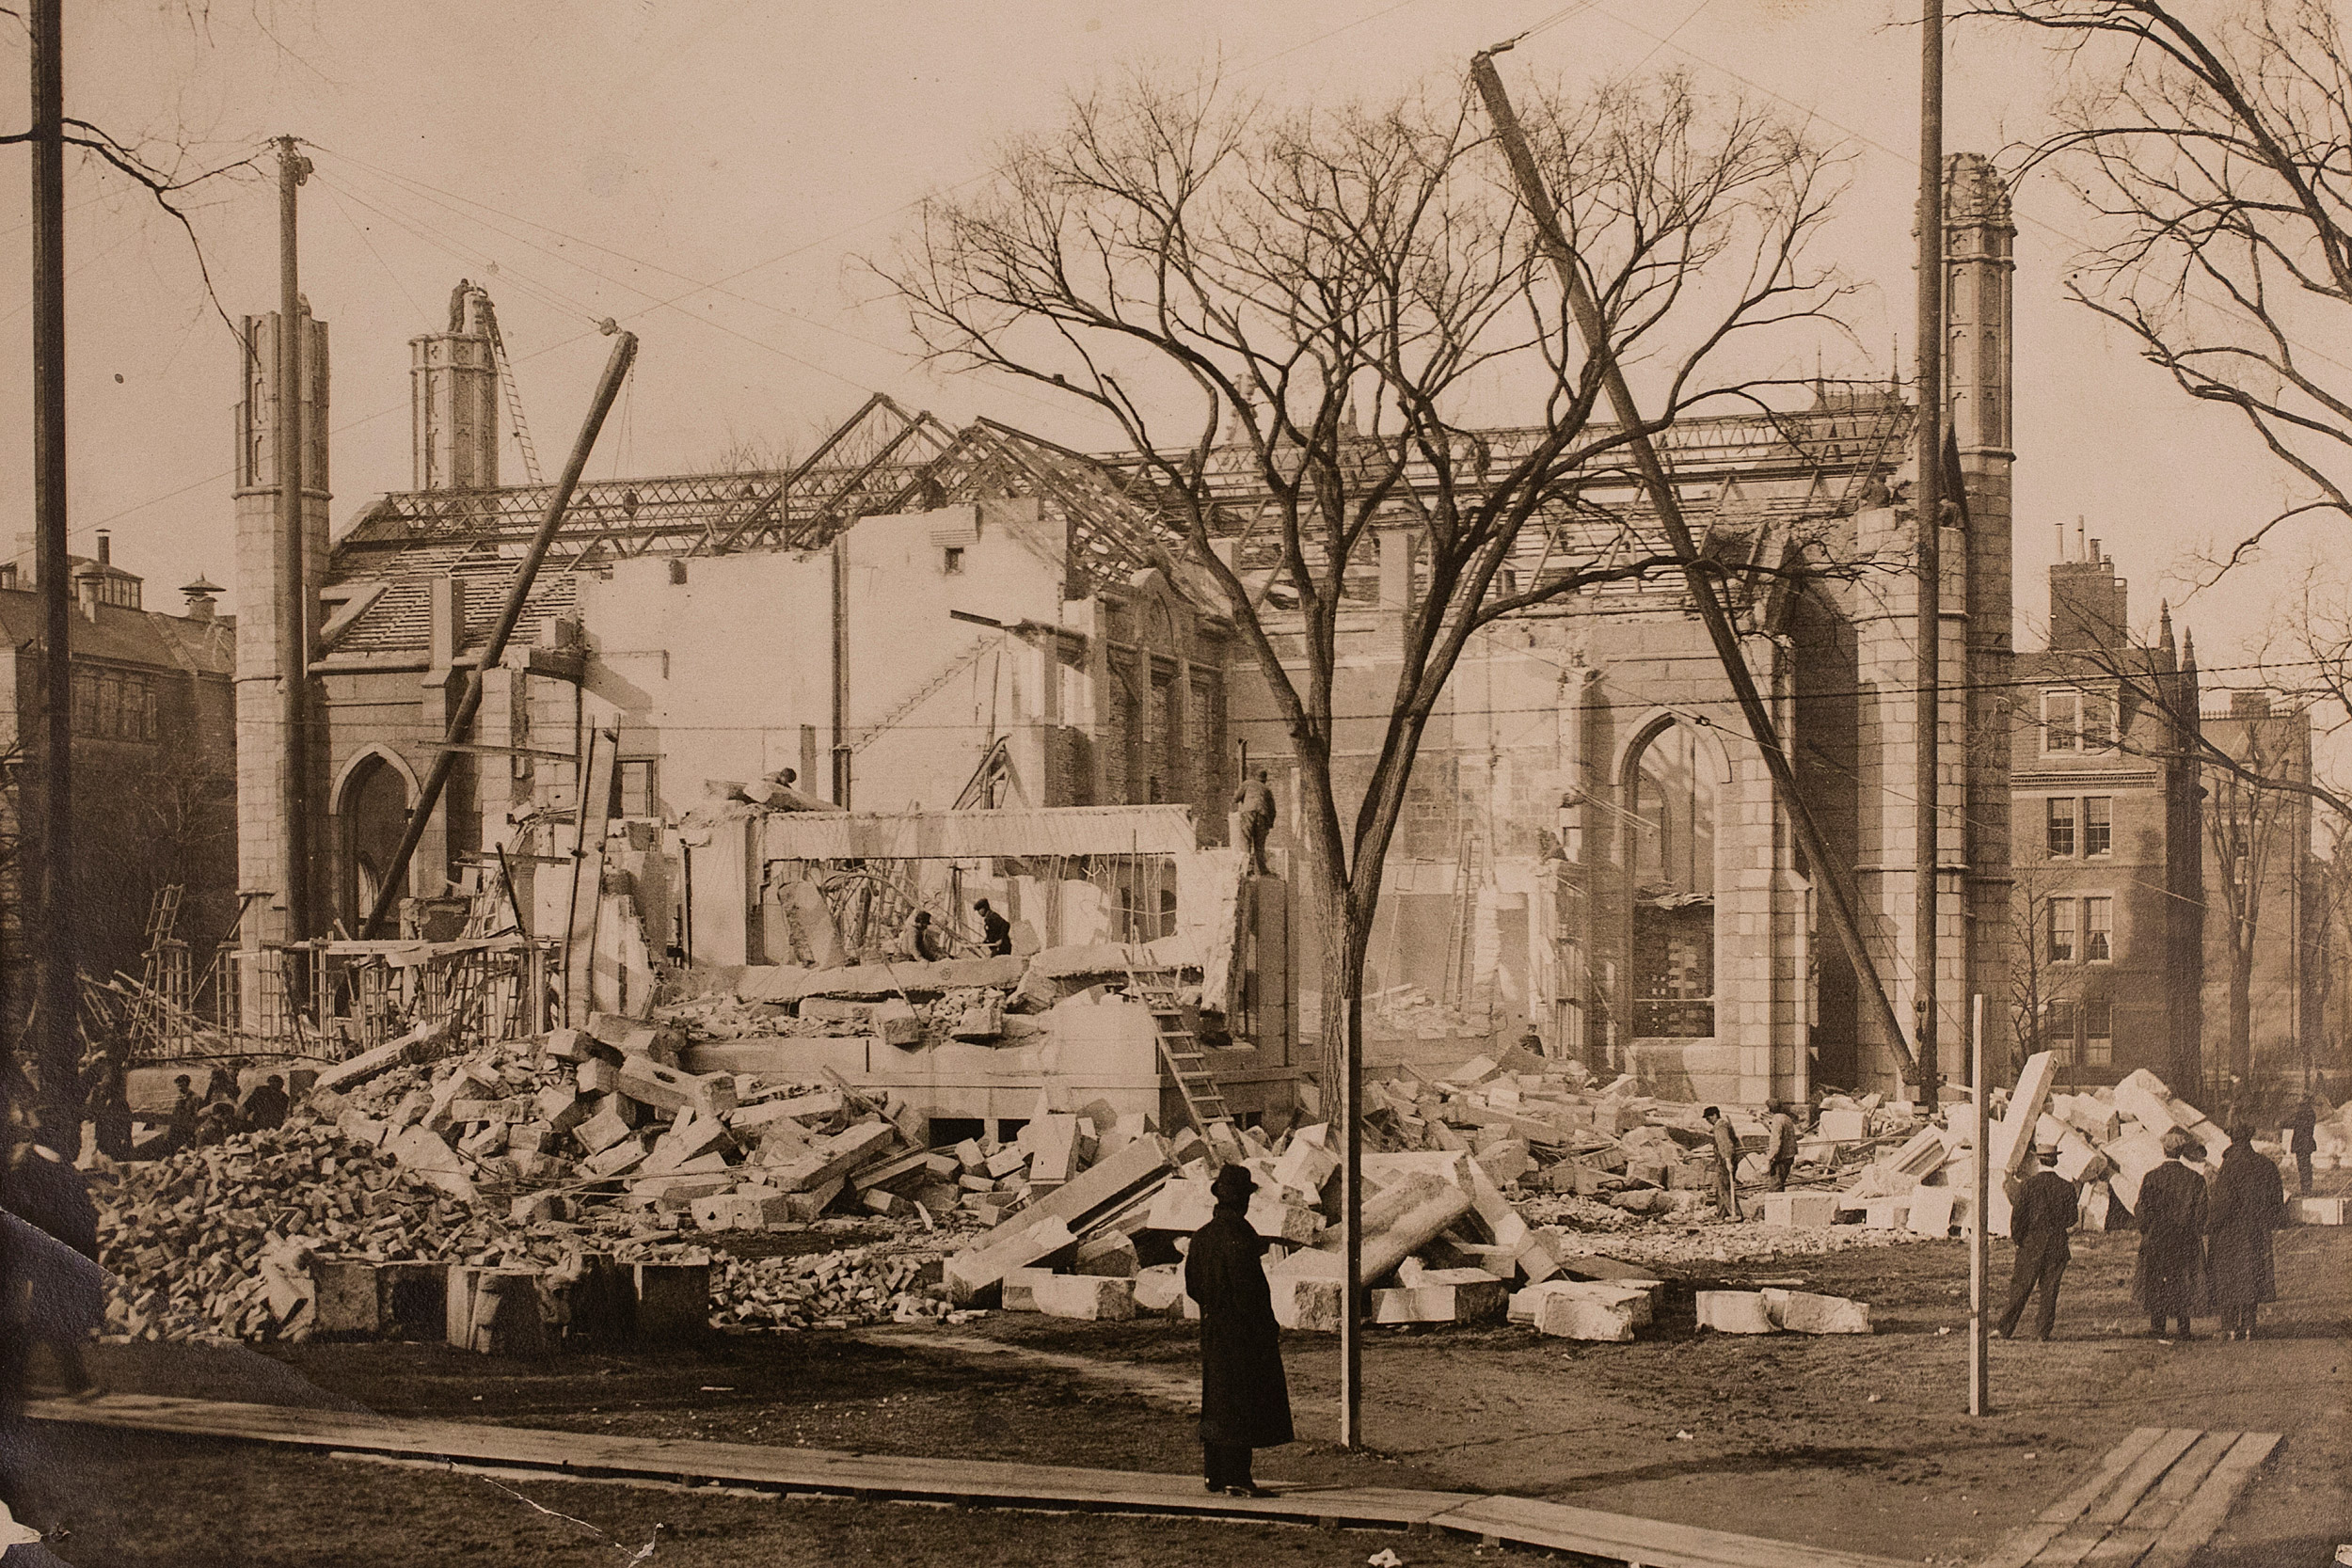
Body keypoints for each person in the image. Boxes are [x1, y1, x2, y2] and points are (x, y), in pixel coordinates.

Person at [1184, 1164, 1293, 1497]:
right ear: (1243, 1201)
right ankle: (1237, 1477)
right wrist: (1266, 1325)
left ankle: (1213, 1473)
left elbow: (1192, 1287)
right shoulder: (1243, 1237)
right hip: (1244, 1332)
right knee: (1241, 1403)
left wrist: (1213, 1308)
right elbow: (1252, 1291)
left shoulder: (1201, 1237)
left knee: (1216, 1398)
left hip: (1213, 1329)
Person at [2, 1109, 103, 1400]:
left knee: (39, 1319)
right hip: (35, 1252)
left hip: (49, 1253)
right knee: (41, 1318)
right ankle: (75, 1382)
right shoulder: (28, 1165)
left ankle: (73, 1382)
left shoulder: (51, 1163)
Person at [2205, 1122, 2286, 1341]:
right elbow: (2277, 1201)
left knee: (2228, 1278)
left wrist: (2209, 1224)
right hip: (2256, 1231)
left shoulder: (2229, 1166)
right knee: (2252, 1275)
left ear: (2232, 1139)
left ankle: (2230, 1327)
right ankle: (2250, 1326)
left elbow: (2222, 1203)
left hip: (2229, 1233)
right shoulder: (2265, 1165)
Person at [1996, 1142, 2079, 1340]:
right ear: (2056, 1160)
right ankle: (2043, 1331)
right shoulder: (2066, 1187)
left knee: (2020, 1288)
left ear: (2037, 1159)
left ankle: (2005, 1329)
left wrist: (2019, 1240)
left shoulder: (2028, 1185)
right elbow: (2072, 1219)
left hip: (2031, 1244)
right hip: (2057, 1244)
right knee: (2050, 1291)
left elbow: (2018, 1218)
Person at [2132, 1128, 2208, 1339]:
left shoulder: (2151, 1178)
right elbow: (2202, 1213)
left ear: (2164, 1150)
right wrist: (2193, 1230)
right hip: (2185, 1239)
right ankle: (2184, 1327)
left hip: (2157, 1238)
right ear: (2182, 1151)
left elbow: (2142, 1210)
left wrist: (2146, 1229)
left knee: (2157, 1280)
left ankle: (2158, 1325)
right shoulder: (2195, 1179)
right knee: (2183, 1280)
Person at [1701, 1106, 1742, 1221]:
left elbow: (1726, 1145)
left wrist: (1728, 1160)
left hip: (1725, 1160)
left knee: (1724, 1188)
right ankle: (1722, 1215)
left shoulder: (1720, 1127)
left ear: (1714, 1115)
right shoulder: (1723, 1125)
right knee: (1720, 1189)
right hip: (1726, 1159)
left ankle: (1736, 1213)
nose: (1708, 1121)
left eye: (1708, 1118)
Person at [1233, 769, 1277, 875]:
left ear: (1254, 776)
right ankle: (1262, 870)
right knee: (1260, 845)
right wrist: (1269, 824)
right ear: (1265, 779)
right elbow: (1273, 810)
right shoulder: (1267, 790)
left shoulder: (1247, 783)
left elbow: (1236, 798)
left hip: (1248, 812)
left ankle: (1246, 868)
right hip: (1263, 816)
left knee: (1245, 840)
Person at [1763, 1101, 1802, 1193]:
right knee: (1779, 1182)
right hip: (1789, 1155)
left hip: (1781, 1157)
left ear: (1769, 1109)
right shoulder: (1786, 1117)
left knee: (1775, 1185)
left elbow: (1776, 1141)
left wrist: (1769, 1159)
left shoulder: (1777, 1120)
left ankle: (1776, 1206)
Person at [2285, 1096, 2319, 1197]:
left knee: (2303, 1167)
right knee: (2305, 1166)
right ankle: (2306, 1189)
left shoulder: (2303, 1114)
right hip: (2306, 1143)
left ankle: (2306, 1189)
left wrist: (2281, 1123)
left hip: (2301, 1144)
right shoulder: (2310, 1113)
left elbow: (2294, 1123)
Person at [164, 1074, 201, 1152]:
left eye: (181, 1086)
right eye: (178, 1086)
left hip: (188, 1128)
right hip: (177, 1127)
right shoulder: (179, 1097)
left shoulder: (195, 1098)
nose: (179, 1088)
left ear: (186, 1084)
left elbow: (197, 1115)